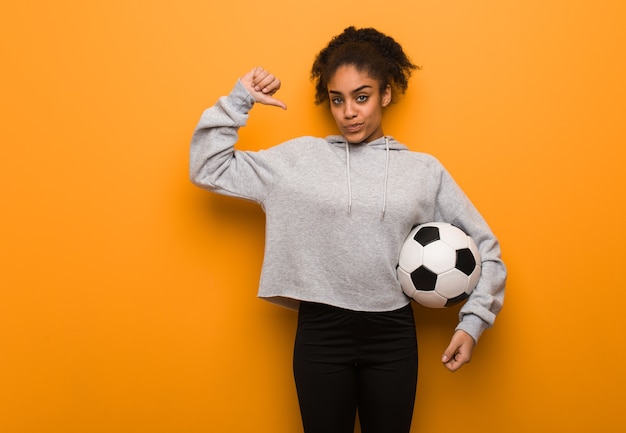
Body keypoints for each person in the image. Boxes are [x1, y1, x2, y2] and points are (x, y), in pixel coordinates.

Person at [190, 26, 506, 433]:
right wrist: (239, 99)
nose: (349, 112)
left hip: (391, 335)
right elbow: (208, 168)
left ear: (385, 94)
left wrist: (473, 323)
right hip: (321, 332)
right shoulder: (298, 161)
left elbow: (486, 248)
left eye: (362, 97)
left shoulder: (422, 171)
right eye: (338, 100)